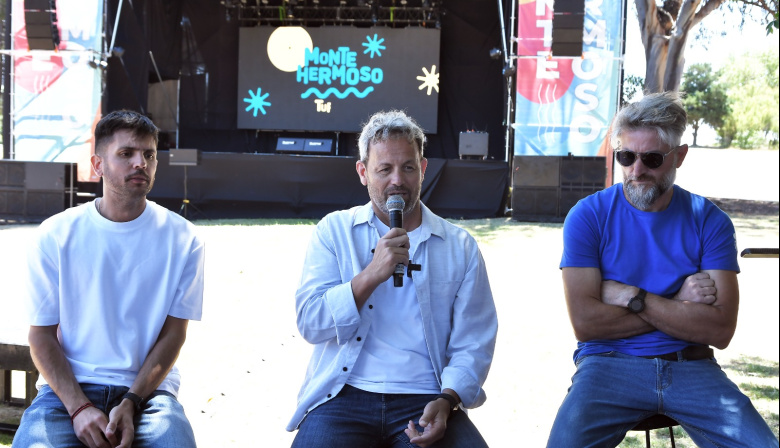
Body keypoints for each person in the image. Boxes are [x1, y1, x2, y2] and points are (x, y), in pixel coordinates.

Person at [546, 92, 778, 447]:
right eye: (625, 157)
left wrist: (631, 295)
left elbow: (720, 329)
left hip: (692, 365)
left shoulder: (710, 221)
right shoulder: (588, 216)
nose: (636, 170)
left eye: (652, 159)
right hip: (608, 364)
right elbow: (587, 323)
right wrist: (679, 302)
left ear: (679, 156)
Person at [287, 110, 498, 448]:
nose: (397, 180)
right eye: (384, 169)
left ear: (423, 170)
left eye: (408, 167)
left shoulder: (459, 246)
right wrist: (370, 275)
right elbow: (312, 323)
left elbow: (474, 341)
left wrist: (447, 400)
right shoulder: (334, 231)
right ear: (363, 172)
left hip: (427, 396)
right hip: (345, 395)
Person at [13, 110, 205, 448]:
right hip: (67, 391)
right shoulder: (56, 235)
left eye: (149, 155)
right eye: (126, 153)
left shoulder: (184, 238)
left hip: (149, 393)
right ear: (98, 164)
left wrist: (131, 401)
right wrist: (80, 407)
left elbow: (175, 334)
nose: (140, 163)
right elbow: (41, 337)